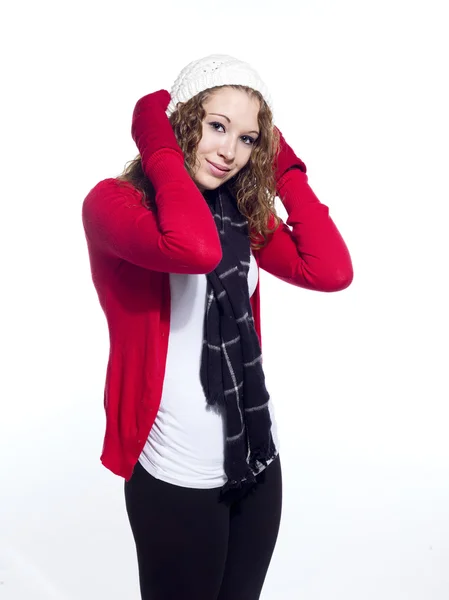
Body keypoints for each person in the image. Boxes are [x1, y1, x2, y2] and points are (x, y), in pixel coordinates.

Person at [82, 54, 353, 600]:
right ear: (181, 122)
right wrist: (157, 140)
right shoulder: (114, 204)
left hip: (255, 458)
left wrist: (281, 165)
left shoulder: (240, 213)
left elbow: (331, 270)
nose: (230, 152)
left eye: (249, 139)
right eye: (216, 126)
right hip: (177, 476)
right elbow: (192, 246)